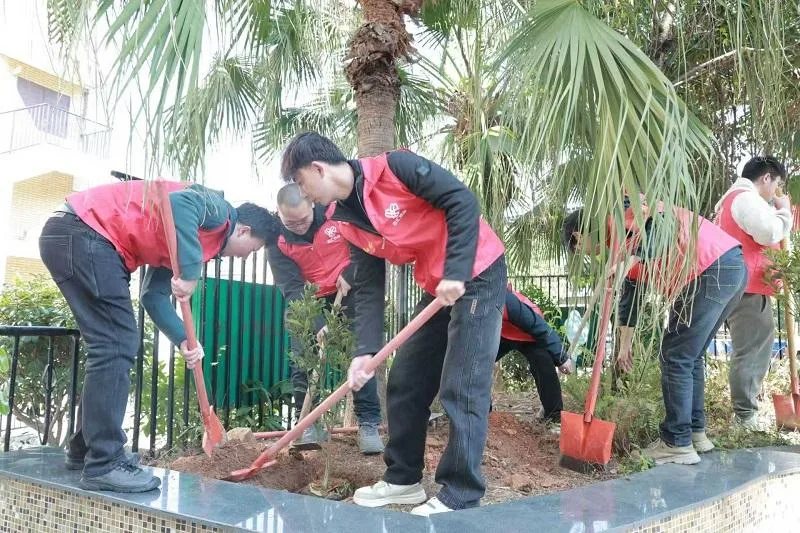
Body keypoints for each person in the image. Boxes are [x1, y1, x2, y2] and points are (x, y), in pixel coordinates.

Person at [280, 132, 507, 516]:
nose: (305, 195)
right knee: (405, 381)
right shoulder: (345, 220)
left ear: (317, 169)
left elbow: (462, 201)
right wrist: (363, 354)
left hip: (477, 272)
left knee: (462, 384)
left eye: (301, 183)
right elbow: (368, 286)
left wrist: (456, 271)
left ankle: (461, 492)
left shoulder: (394, 169)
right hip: (439, 284)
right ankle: (403, 480)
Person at [39, 179, 272, 492]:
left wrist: (185, 339)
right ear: (243, 230)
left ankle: (86, 451)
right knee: (116, 344)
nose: (245, 257)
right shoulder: (218, 210)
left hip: (77, 236)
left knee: (111, 344)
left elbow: (153, 296)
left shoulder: (189, 240)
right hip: (85, 232)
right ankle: (104, 463)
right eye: (252, 250)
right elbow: (179, 205)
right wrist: (191, 275)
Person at [562, 195, 746, 466]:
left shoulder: (620, 213)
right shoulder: (619, 241)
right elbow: (630, 299)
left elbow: (660, 227)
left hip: (709, 268)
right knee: (688, 356)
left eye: (579, 250)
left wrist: (630, 259)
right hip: (728, 266)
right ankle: (695, 434)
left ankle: (676, 442)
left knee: (675, 355)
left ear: (578, 236)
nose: (588, 255)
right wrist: (624, 346)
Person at [266, 183, 384, 454]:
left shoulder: (334, 211)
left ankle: (368, 423)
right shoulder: (277, 239)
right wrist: (318, 324)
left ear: (312, 204)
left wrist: (351, 271)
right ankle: (308, 422)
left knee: (359, 356)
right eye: (290, 222)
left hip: (347, 290)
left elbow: (363, 243)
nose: (298, 226)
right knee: (302, 358)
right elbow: (291, 288)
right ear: (279, 213)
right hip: (310, 299)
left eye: (303, 220)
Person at [713, 156, 791, 430]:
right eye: (776, 183)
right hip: (747, 286)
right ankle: (745, 418)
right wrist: (785, 213)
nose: (776, 192)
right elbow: (768, 232)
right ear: (766, 178)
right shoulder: (746, 198)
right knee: (751, 349)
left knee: (753, 346)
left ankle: (746, 413)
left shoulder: (733, 199)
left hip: (743, 284)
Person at [496, 286, 573, 426]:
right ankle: (479, 410)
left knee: (543, 363)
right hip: (501, 332)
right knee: (477, 363)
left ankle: (554, 417)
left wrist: (561, 358)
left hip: (530, 334)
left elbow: (542, 329)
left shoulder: (508, 302)